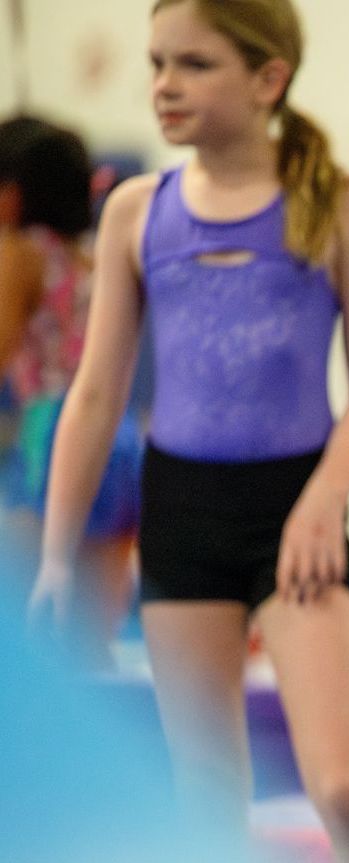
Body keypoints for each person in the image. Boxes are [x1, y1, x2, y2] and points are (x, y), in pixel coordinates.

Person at [29, 0, 349, 863]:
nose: (163, 85)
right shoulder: (138, 212)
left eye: (194, 65)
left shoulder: (336, 201)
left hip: (298, 513)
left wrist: (323, 499)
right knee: (205, 805)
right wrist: (51, 558)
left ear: (267, 79)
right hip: (184, 512)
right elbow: (93, 398)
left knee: (342, 787)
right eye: (157, 63)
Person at [0, 115, 141, 666]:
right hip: (118, 434)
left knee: (29, 624)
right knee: (92, 642)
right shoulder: (93, 260)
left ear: (11, 196)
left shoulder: (20, 253)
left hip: (53, 434)